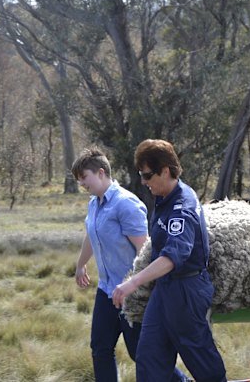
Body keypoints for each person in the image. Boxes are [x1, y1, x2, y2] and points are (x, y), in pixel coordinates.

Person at [112, 139, 227, 382]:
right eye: (141, 175)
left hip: (186, 291)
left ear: (165, 170)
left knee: (202, 363)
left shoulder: (181, 207)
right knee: (149, 358)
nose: (143, 182)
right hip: (164, 289)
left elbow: (173, 257)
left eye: (147, 175)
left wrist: (133, 283)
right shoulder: (164, 196)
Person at [71, 147, 188, 382]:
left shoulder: (126, 204)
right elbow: (92, 235)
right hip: (106, 291)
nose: (81, 184)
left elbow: (144, 251)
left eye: (84, 178)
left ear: (101, 172)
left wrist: (135, 286)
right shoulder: (95, 203)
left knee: (140, 354)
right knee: (100, 348)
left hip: (131, 293)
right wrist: (81, 264)